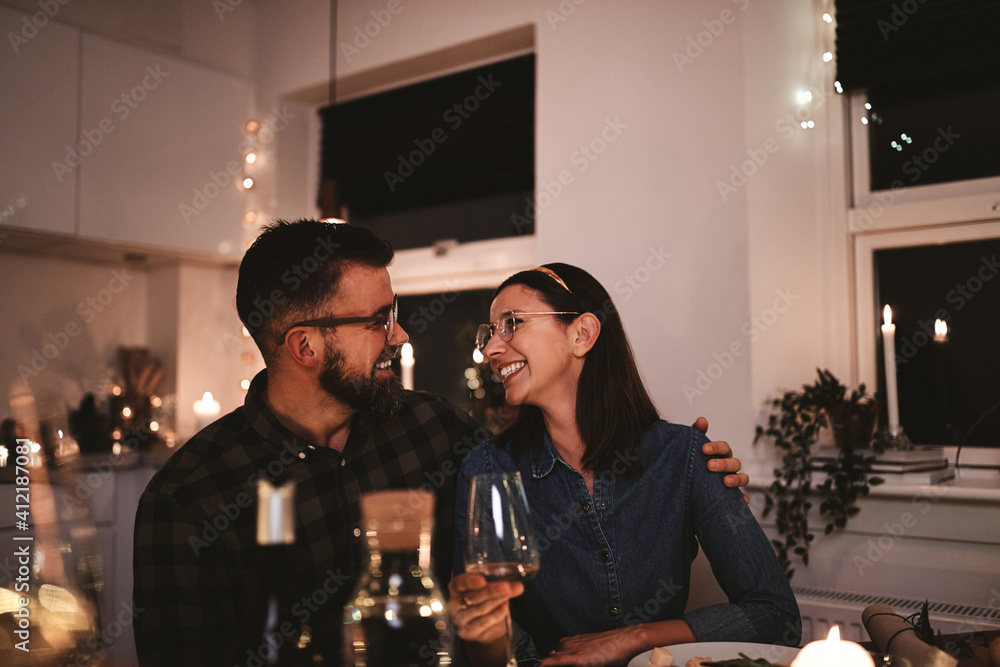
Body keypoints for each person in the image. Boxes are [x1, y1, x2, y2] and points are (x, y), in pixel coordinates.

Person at [131, 220, 748, 665]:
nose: (399, 333)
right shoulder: (188, 501)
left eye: (393, 311)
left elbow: (551, 470)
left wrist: (690, 463)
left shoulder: (437, 429)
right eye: (378, 320)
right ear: (306, 346)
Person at [448, 263, 801, 667]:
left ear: (582, 334)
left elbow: (776, 616)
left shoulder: (684, 455)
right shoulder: (489, 470)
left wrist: (630, 640)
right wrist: (482, 632)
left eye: (511, 323)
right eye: (490, 332)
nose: (491, 349)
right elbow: (487, 647)